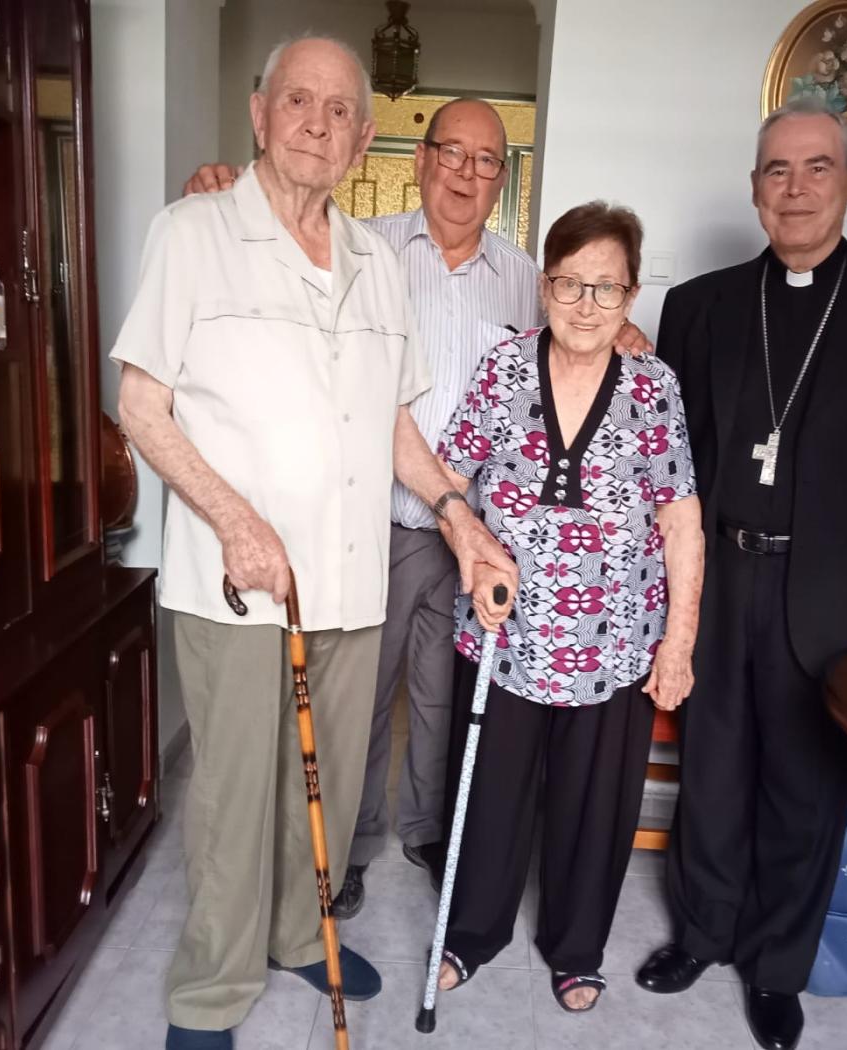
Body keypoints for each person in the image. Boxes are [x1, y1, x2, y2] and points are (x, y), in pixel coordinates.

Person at [111, 36, 511, 1050]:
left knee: (322, 783)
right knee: (238, 794)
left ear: (363, 139)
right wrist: (236, 519)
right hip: (238, 585)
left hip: (350, 579)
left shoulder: (378, 262)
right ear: (260, 114)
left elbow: (395, 427)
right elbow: (141, 405)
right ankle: (209, 991)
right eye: (299, 101)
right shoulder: (194, 231)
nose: (317, 125)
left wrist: (457, 513)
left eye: (340, 111)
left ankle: (299, 934)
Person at [183, 101, 650, 918]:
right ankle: (356, 845)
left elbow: (577, 345)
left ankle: (434, 834)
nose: (467, 175)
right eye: (453, 155)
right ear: (422, 160)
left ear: (503, 179)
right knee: (360, 698)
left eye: (487, 162)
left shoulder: (521, 276)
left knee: (443, 695)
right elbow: (272, 251)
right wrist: (222, 192)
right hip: (373, 523)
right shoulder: (360, 246)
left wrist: (625, 327)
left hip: (473, 535)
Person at [634, 96, 847, 1050]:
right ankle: (700, 931)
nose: (798, 188)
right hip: (719, 583)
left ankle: (777, 970)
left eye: (819, 168)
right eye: (778, 170)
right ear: (754, 190)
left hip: (837, 600)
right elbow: (671, 461)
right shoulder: (700, 307)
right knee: (714, 772)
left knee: (805, 789)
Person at [432, 201, 704, 1013]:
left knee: (596, 806)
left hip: (617, 640)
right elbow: (448, 479)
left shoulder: (654, 387)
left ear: (632, 294)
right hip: (505, 631)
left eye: (606, 289)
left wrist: (678, 643)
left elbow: (680, 516)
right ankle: (471, 932)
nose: (586, 306)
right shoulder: (505, 369)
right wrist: (470, 550)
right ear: (543, 285)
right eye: (570, 285)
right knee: (488, 792)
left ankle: (576, 947)